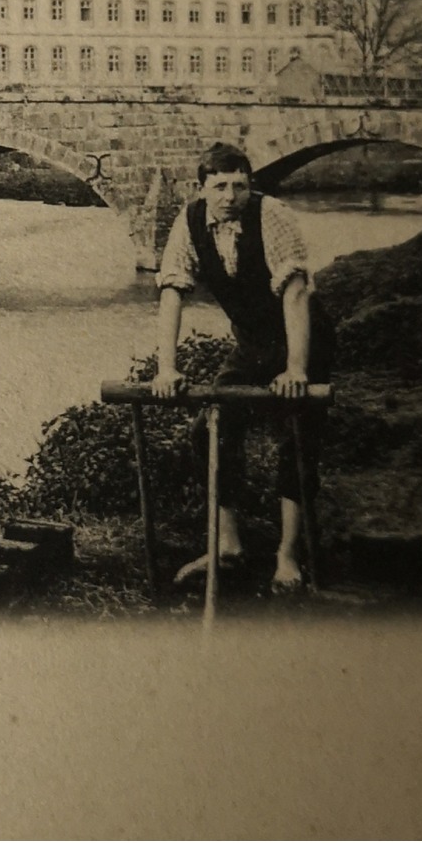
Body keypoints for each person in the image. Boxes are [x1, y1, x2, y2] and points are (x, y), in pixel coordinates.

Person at [151, 142, 333, 592]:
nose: (231, 196)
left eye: (239, 186)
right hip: (252, 344)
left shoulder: (271, 214)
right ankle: (228, 545)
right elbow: (172, 291)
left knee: (297, 439)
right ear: (202, 189)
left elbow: (294, 292)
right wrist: (166, 368)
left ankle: (288, 556)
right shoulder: (189, 221)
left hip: (304, 339)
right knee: (209, 430)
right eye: (220, 187)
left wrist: (296, 369)